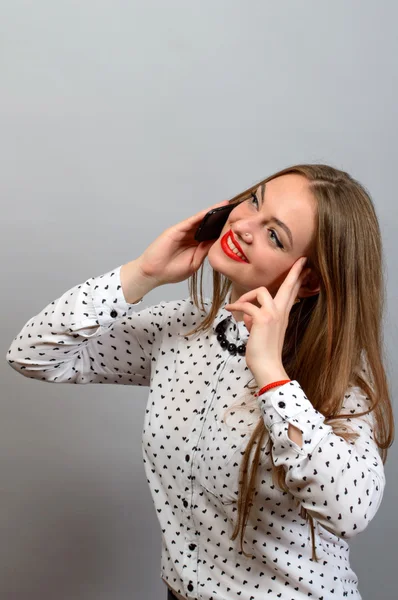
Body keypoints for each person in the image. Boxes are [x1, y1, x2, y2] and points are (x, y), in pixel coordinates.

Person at [6, 164, 394, 600]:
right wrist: (143, 273)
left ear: (308, 282)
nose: (245, 227)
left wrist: (272, 376)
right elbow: (32, 355)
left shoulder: (340, 378)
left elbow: (350, 511)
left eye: (274, 235)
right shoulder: (182, 330)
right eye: (254, 201)